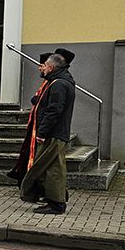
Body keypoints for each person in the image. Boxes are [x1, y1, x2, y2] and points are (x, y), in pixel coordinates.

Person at [19, 51, 77, 215]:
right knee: (53, 167)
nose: (41, 68)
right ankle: (54, 199)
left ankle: (56, 204)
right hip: (56, 133)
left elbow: (54, 111)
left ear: (50, 67)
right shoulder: (60, 82)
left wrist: (42, 132)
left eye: (43, 66)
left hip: (53, 134)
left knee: (51, 169)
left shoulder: (58, 84)